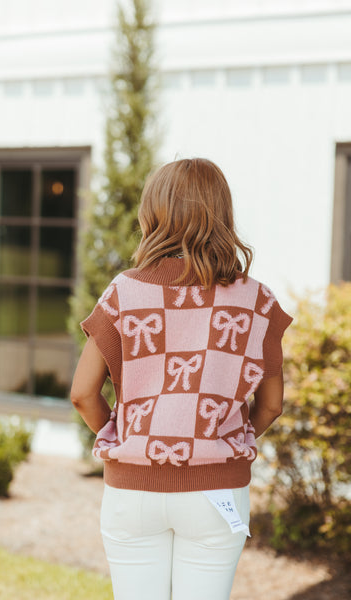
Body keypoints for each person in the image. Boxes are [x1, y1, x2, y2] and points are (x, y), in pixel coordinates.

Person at [70, 157, 293, 600]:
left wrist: (125, 435)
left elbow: (81, 394)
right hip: (216, 490)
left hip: (132, 490)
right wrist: (221, 438)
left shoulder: (124, 292)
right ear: (222, 215)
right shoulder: (256, 302)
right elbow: (271, 405)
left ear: (153, 214)